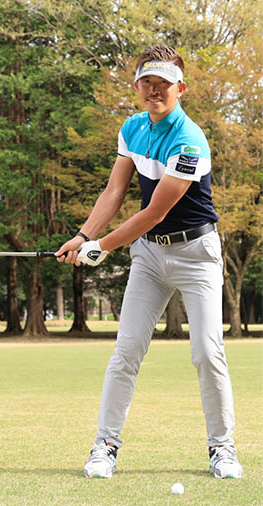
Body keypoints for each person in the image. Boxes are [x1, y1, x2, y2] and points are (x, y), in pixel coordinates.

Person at [55, 45, 242, 480]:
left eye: (164, 83)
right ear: (137, 86)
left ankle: (222, 448)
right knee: (126, 351)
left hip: (196, 254)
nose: (155, 90)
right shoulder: (132, 128)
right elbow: (114, 192)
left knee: (207, 352)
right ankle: (104, 446)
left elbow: (156, 211)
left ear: (181, 88)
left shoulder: (189, 140)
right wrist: (82, 236)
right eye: (147, 83)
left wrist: (103, 246)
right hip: (150, 255)